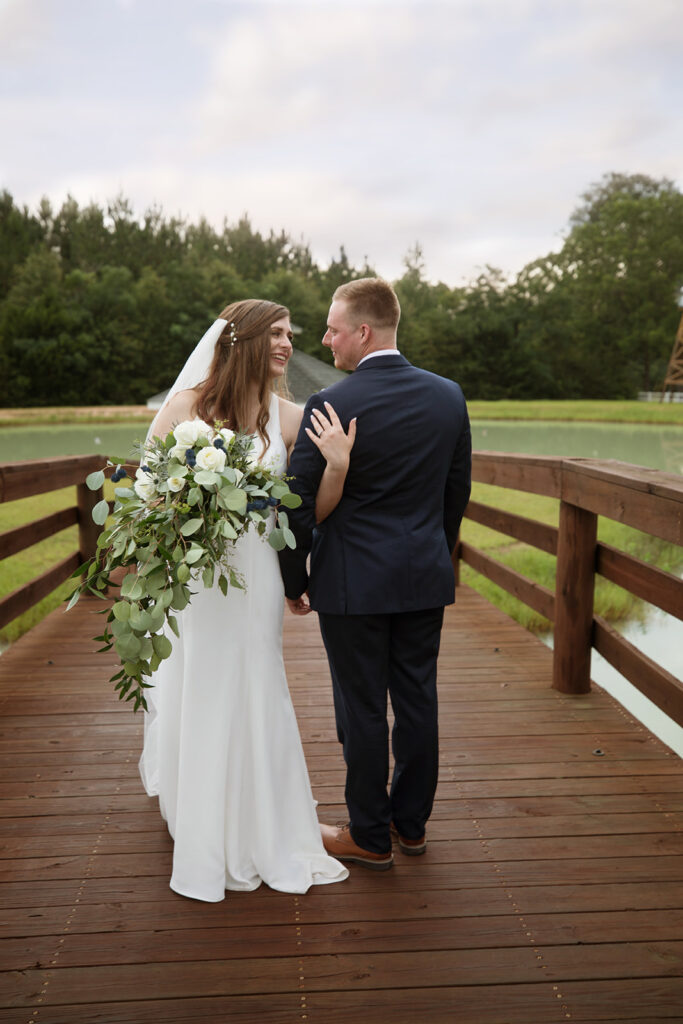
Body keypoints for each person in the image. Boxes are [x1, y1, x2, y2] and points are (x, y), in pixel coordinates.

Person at [139, 299, 352, 902]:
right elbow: (148, 487)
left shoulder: (289, 417)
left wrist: (336, 467)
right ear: (242, 341)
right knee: (201, 680)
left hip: (255, 577)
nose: (287, 344)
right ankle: (200, 816)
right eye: (277, 335)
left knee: (257, 681)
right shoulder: (186, 406)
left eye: (291, 334)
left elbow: (307, 510)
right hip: (200, 577)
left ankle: (265, 819)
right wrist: (183, 512)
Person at [279, 278, 472, 871]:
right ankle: (410, 827)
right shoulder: (448, 397)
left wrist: (295, 580)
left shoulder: (331, 405)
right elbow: (454, 496)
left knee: (361, 708)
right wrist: (431, 556)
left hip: (351, 584)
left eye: (333, 328)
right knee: (417, 700)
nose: (324, 339)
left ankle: (368, 834)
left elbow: (294, 503)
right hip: (421, 576)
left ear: (363, 332)